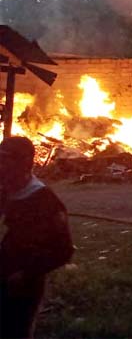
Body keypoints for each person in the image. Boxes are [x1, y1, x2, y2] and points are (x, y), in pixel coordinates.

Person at [0, 136, 73, 339]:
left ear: (25, 163)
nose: (2, 167)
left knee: (14, 330)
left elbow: (63, 250)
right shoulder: (5, 192)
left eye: (7, 161)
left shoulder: (43, 201)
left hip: (22, 286)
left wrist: (25, 273)